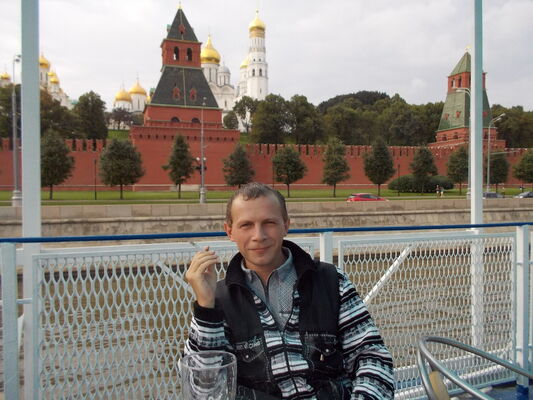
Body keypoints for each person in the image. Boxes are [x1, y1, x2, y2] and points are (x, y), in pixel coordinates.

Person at [185, 182, 394, 399]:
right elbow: (204, 390)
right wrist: (205, 307)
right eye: (246, 225)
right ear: (230, 231)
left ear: (286, 225)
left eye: (269, 223)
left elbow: (372, 358)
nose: (259, 235)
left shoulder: (331, 281)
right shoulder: (219, 300)